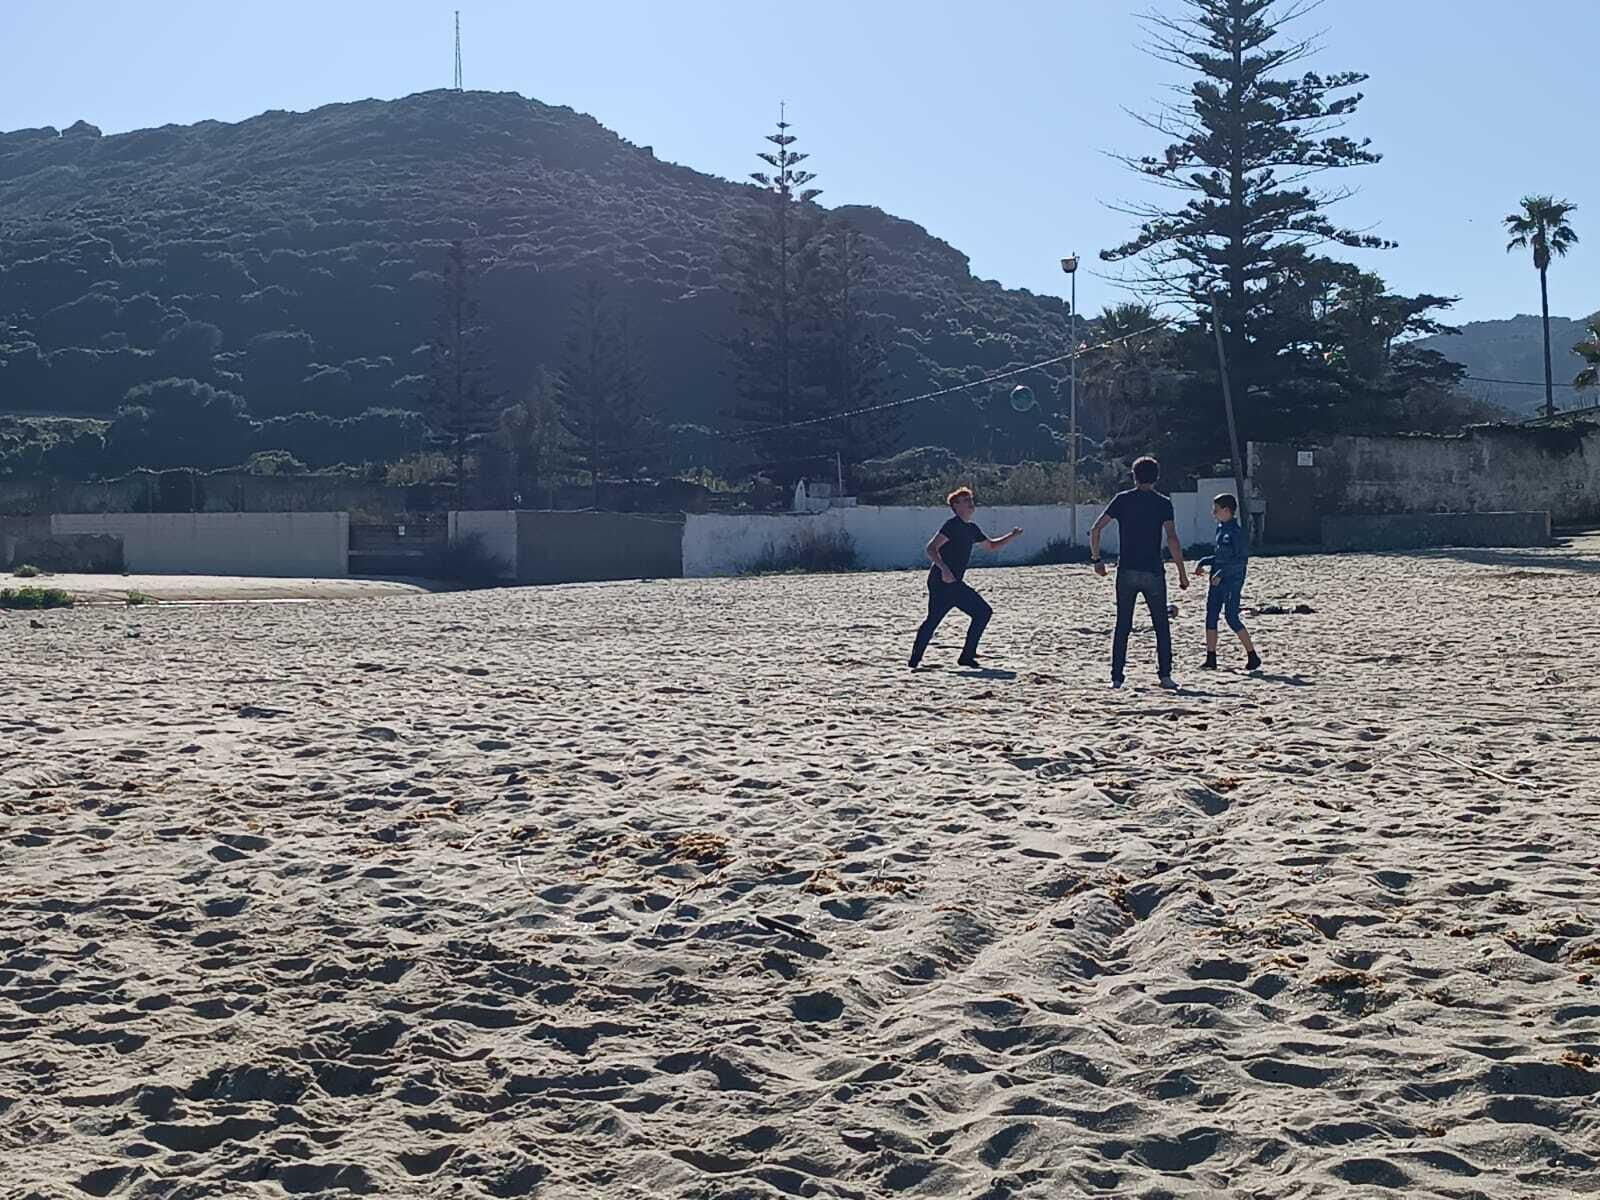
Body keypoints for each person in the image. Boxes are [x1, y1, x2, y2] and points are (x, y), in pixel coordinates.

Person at [1088, 456, 1189, 689]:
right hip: (1153, 569)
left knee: (1123, 624)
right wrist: (1182, 573)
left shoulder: (1122, 500)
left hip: (1127, 570)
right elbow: (1172, 538)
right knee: (1161, 625)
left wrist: (1096, 559)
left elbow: (1095, 529)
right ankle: (1165, 675)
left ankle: (1117, 677)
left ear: (1134, 475)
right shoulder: (1163, 503)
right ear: (1157, 476)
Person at [908, 486, 1022, 669]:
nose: (971, 503)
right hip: (941, 581)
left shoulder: (971, 529)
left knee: (982, 613)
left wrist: (1012, 536)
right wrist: (944, 568)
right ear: (956, 505)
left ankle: (966, 657)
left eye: (971, 500)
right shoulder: (951, 525)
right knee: (934, 619)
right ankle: (915, 660)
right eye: (966, 500)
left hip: (955, 583)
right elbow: (931, 548)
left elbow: (991, 546)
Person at [1195, 492, 1262, 672]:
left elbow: (1240, 560)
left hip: (1231, 581)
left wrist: (1221, 573)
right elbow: (1219, 557)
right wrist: (1203, 562)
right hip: (1216, 580)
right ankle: (1211, 658)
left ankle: (1252, 655)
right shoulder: (1220, 529)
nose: (1213, 513)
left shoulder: (1236, 533)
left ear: (1226, 510)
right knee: (1211, 615)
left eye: (1216, 510)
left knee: (1231, 617)